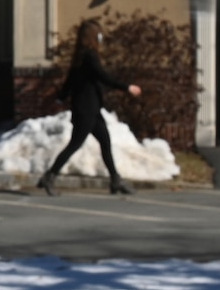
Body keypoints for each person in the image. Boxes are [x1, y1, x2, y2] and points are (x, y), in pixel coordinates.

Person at [39, 20, 142, 197]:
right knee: (75, 144)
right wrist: (126, 87)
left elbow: (70, 81)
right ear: (93, 37)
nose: (101, 37)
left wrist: (61, 97)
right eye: (99, 34)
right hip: (86, 110)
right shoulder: (90, 57)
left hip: (91, 109)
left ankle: (115, 180)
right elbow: (103, 77)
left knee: (105, 142)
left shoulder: (80, 57)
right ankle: (49, 176)